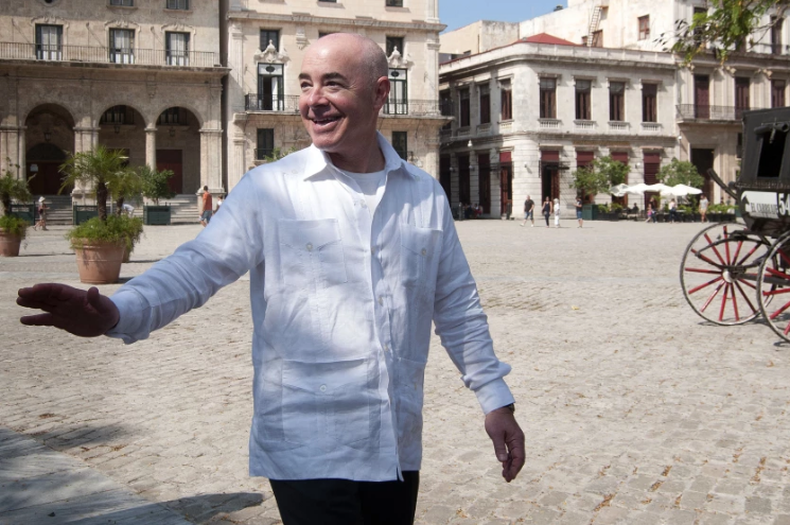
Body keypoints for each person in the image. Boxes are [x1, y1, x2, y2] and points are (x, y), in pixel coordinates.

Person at [17, 33, 524, 525]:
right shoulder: (269, 188)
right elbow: (198, 266)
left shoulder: (424, 194)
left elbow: (456, 303)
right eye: (304, 84)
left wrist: (494, 398)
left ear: (380, 92)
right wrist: (118, 311)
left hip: (394, 441)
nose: (313, 101)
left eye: (332, 84)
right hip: (307, 441)